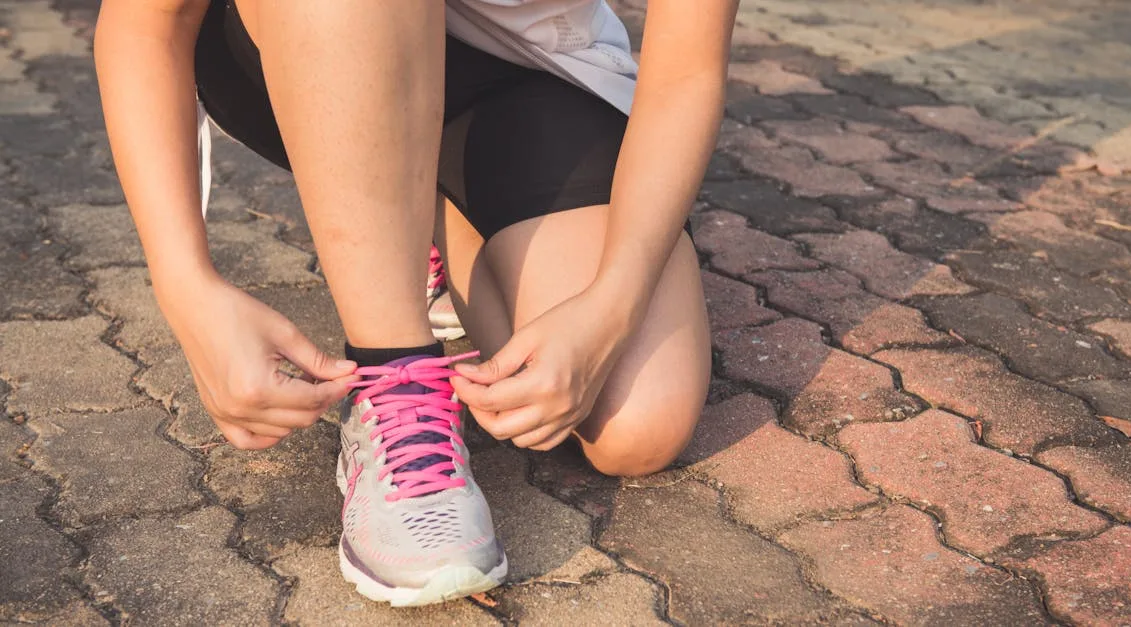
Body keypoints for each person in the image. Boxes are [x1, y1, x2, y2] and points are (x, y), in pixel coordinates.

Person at [94, 0, 737, 607]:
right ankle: (394, 382)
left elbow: (686, 70)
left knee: (635, 424)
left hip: (527, 68)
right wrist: (186, 286)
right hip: (307, 33)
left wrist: (611, 306)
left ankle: (410, 213)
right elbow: (146, 26)